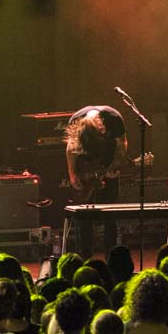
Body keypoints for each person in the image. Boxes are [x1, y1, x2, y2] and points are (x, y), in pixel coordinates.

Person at [65, 104, 128, 257]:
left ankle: (112, 255)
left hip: (107, 159)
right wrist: (73, 174)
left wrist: (116, 164)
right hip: (86, 163)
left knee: (110, 212)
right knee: (84, 214)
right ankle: (84, 255)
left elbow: (123, 144)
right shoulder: (76, 121)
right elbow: (70, 150)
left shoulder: (114, 118)